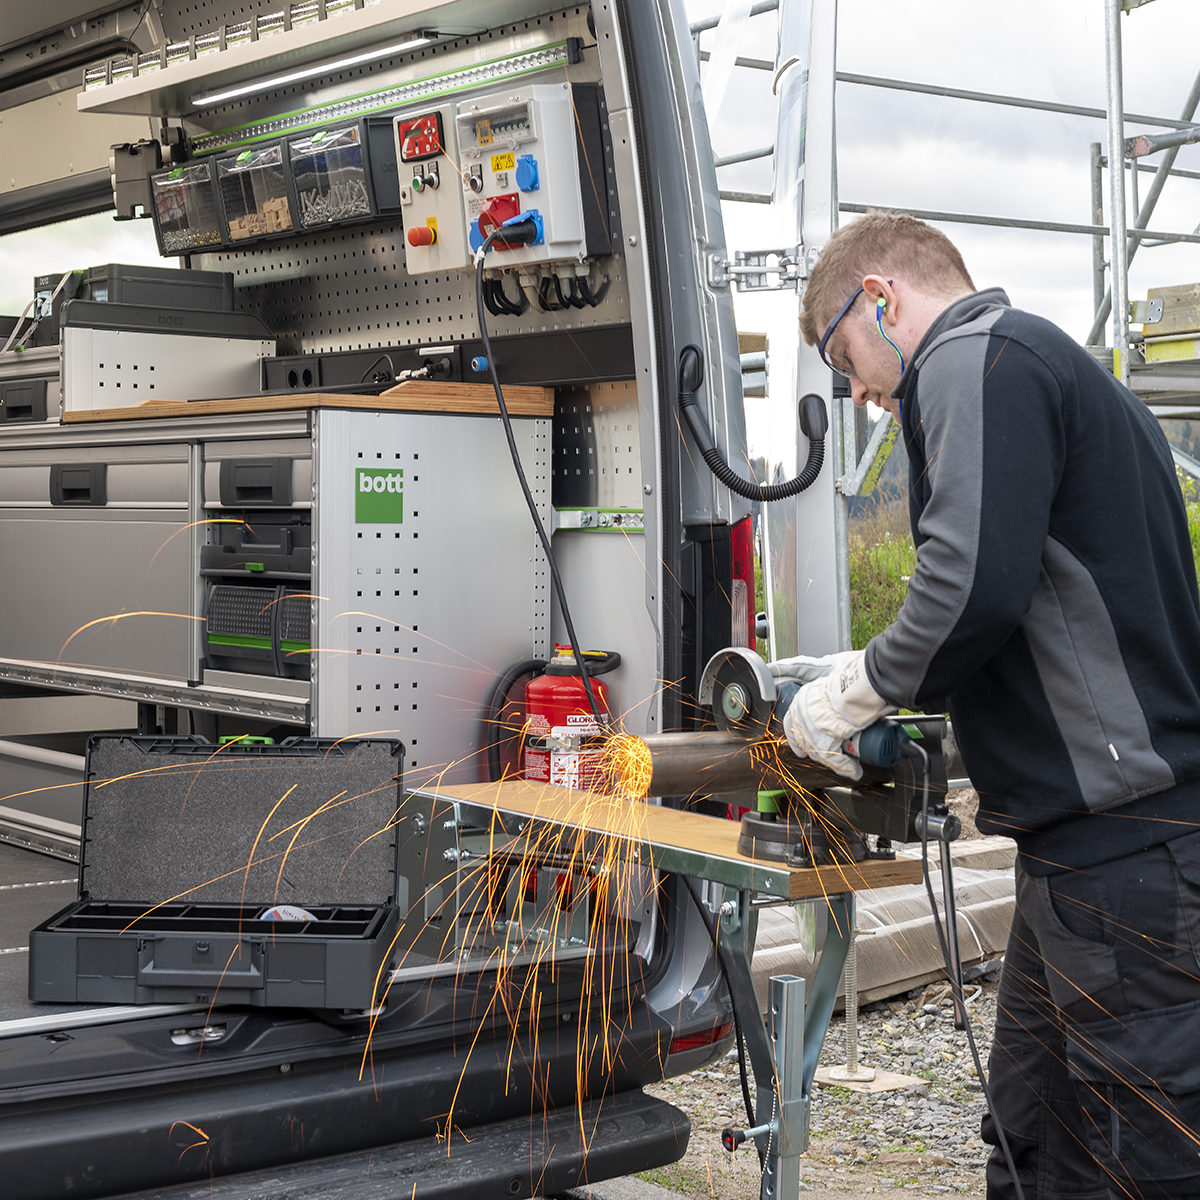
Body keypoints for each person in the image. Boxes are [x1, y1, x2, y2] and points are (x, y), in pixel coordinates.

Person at [785, 209, 1200, 1199]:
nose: (858, 391)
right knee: (1031, 1138)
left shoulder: (973, 357)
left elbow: (968, 586)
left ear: (881, 299)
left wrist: (855, 691)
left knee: (1133, 1159)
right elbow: (1035, 597)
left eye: (846, 355)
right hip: (1080, 859)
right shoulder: (1057, 370)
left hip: (1121, 853)